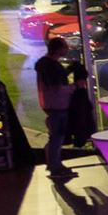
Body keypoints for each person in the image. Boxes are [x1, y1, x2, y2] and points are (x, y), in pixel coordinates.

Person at [34, 36, 74, 178]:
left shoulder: (45, 65)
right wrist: (74, 87)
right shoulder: (51, 66)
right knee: (56, 138)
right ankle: (55, 167)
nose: (67, 49)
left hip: (51, 105)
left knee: (56, 138)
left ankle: (55, 164)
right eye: (65, 47)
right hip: (57, 105)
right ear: (58, 50)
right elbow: (57, 88)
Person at [65, 63, 96, 148]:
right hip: (81, 126)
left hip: (77, 125)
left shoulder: (73, 92)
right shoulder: (80, 92)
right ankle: (80, 142)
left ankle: (78, 142)